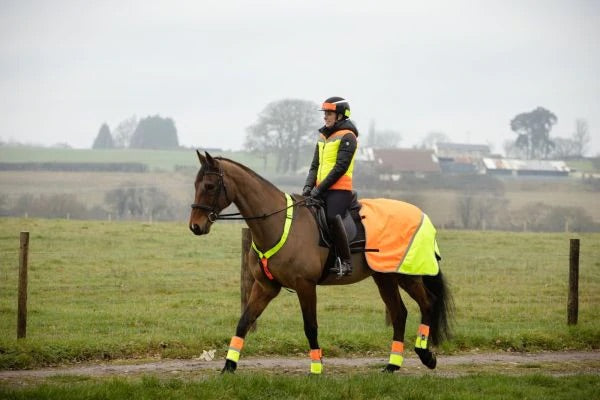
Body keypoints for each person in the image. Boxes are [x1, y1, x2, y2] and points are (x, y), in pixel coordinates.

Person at [302, 96, 359, 276]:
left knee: (333, 217)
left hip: (339, 190)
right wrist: (308, 188)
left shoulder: (348, 137)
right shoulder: (323, 137)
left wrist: (319, 190)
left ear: (340, 116)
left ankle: (346, 262)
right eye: (325, 113)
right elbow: (314, 166)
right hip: (320, 189)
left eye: (329, 114)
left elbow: (340, 168)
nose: (325, 117)